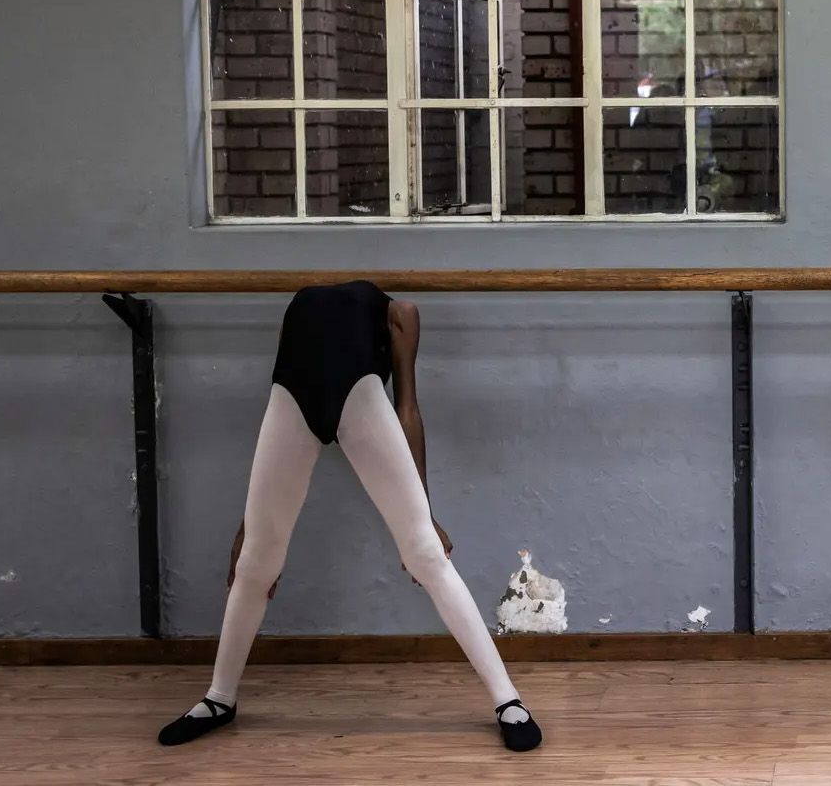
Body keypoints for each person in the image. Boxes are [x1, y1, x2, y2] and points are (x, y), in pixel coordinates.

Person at [157, 280, 542, 750]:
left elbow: (407, 408)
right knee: (255, 563)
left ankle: (508, 701)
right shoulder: (299, 309)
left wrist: (423, 510)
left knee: (425, 553)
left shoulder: (400, 311)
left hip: (358, 396)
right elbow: (272, 426)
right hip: (294, 399)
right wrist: (249, 526)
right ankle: (219, 699)